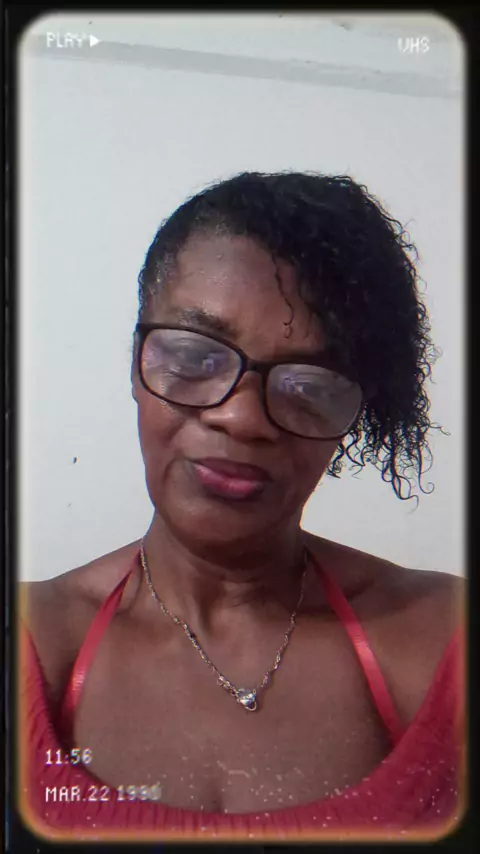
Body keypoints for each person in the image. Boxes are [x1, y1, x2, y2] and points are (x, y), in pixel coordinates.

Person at [20, 171, 465, 844]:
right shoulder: (34, 645)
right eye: (195, 356)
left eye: (307, 384)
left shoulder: (442, 642)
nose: (241, 417)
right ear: (136, 361)